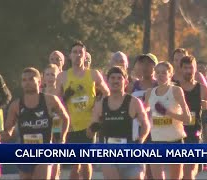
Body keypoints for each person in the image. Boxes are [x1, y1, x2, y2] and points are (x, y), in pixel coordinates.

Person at [0, 67, 70, 180]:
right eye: (24, 80)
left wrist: (62, 139)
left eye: (30, 79)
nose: (27, 83)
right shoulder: (16, 105)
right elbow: (9, 128)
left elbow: (65, 118)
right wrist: (5, 134)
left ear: (39, 81)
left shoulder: (50, 100)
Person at [56, 41, 109, 179]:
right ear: (70, 55)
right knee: (75, 162)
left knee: (86, 161)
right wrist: (66, 95)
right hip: (71, 124)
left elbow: (107, 93)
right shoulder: (62, 76)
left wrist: (98, 104)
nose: (78, 55)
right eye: (75, 52)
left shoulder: (93, 74)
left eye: (81, 52)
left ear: (85, 56)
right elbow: (55, 101)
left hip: (89, 123)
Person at [87, 66, 150, 179]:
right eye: (112, 78)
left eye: (119, 78)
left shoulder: (134, 102)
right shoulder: (101, 104)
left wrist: (140, 140)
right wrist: (93, 128)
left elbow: (146, 124)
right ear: (107, 81)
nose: (115, 81)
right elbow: (89, 133)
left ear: (125, 82)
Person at [144, 61, 191, 180]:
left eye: (164, 73)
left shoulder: (176, 90)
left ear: (170, 74)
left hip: (174, 140)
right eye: (157, 72)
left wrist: (167, 113)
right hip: (156, 141)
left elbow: (187, 119)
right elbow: (142, 114)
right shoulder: (150, 92)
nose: (160, 75)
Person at [178, 56, 207, 179]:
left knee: (190, 171)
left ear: (195, 69)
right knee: (178, 172)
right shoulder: (174, 87)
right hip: (176, 133)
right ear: (180, 69)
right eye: (185, 68)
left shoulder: (201, 88)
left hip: (194, 133)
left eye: (191, 67)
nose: (188, 71)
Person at [127, 53, 158, 179]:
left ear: (155, 66)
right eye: (143, 63)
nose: (145, 67)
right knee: (139, 168)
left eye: (149, 63)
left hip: (156, 129)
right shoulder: (133, 86)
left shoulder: (160, 85)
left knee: (152, 168)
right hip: (137, 129)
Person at [42, 64, 63, 179]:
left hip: (57, 127)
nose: (50, 78)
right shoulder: (39, 92)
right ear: (43, 77)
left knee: (55, 162)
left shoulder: (62, 92)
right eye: (47, 74)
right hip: (42, 128)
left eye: (53, 75)